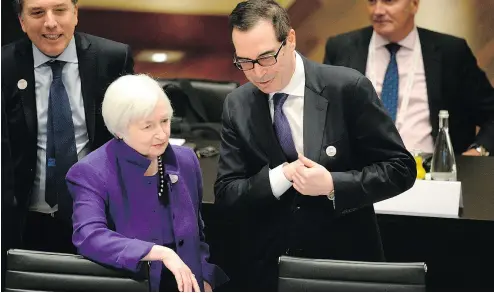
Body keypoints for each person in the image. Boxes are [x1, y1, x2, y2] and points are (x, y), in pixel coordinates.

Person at [213, 0, 417, 291]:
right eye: (244, 62)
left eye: (267, 57)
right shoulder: (238, 104)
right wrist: (281, 176)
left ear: (291, 39)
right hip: (267, 269)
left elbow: (400, 169)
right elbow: (227, 194)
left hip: (341, 264)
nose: (257, 72)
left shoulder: (347, 88)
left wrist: (333, 184)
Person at [65, 74, 228, 292]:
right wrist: (159, 252)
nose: (161, 134)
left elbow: (197, 234)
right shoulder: (90, 172)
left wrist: (205, 278)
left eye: (165, 121)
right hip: (133, 285)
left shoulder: (186, 161)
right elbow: (89, 237)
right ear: (119, 130)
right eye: (148, 126)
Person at [1, 0, 134, 254]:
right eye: (37, 13)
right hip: (24, 222)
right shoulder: (4, 66)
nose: (50, 22)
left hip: (99, 219)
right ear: (21, 21)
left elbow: (128, 137)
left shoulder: (113, 59)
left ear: (75, 14)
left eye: (60, 10)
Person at [323, 0, 494, 156]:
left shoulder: (451, 52)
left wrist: (478, 151)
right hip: (361, 176)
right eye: (372, 1)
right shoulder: (342, 49)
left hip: (432, 176)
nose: (378, 10)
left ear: (414, 4)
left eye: (389, 1)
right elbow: (321, 114)